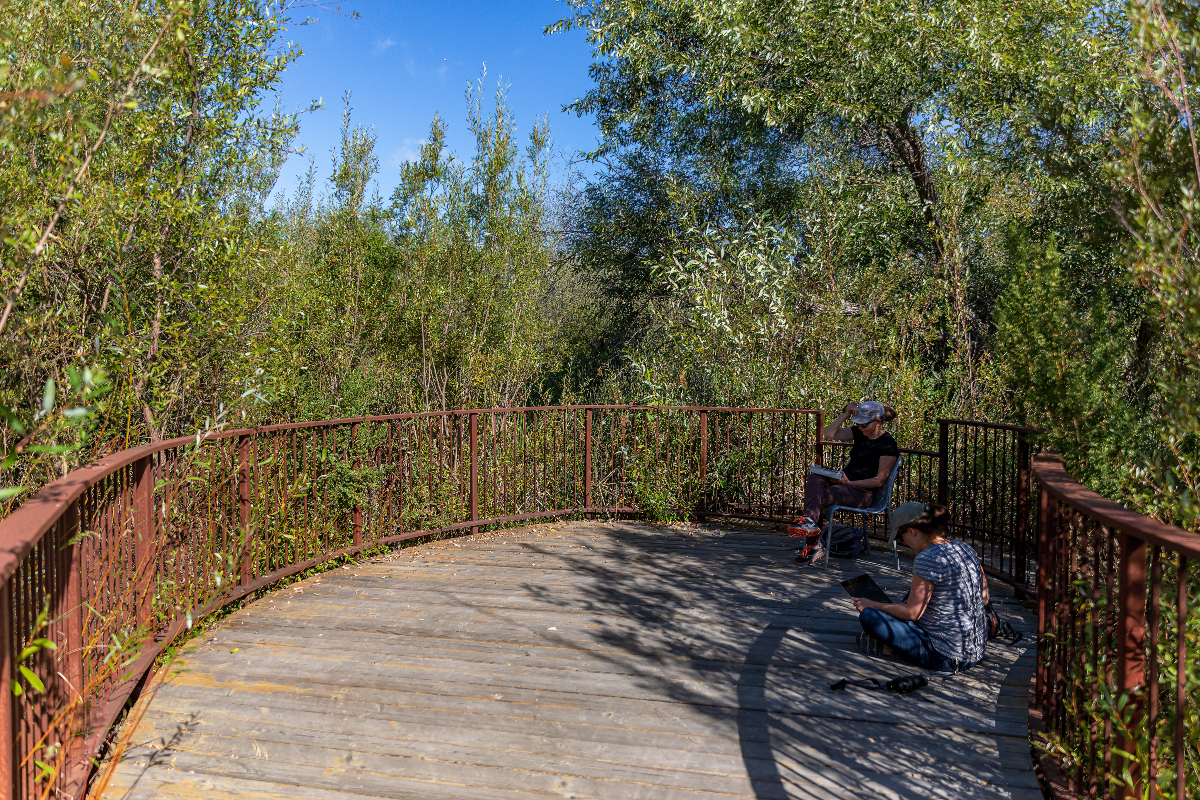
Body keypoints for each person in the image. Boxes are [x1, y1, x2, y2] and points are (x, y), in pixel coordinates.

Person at [853, 503, 989, 671]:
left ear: (912, 531)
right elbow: (985, 598)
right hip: (976, 652)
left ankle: (900, 650)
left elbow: (913, 613)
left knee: (869, 616)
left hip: (945, 656)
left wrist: (872, 604)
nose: (903, 543)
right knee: (910, 596)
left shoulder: (927, 558)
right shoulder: (966, 549)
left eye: (900, 538)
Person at [790, 400, 899, 565]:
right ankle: (810, 523)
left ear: (878, 422)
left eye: (864, 425)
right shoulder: (860, 432)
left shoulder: (888, 444)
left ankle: (813, 545)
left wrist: (849, 483)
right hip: (845, 482)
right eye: (858, 424)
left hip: (863, 492)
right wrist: (846, 414)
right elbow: (829, 434)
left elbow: (879, 480)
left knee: (823, 496)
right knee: (814, 477)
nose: (860, 428)